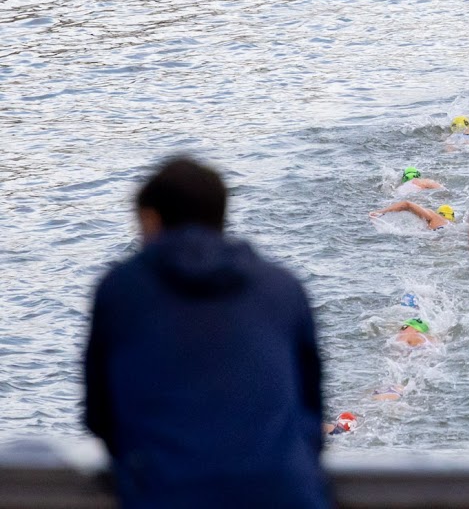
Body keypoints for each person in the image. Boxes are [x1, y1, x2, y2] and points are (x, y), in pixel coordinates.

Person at [84, 157, 330, 509]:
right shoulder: (283, 287)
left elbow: (100, 415)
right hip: (285, 494)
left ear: (151, 219)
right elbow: (311, 409)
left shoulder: (121, 290)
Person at [370, 199, 455, 231]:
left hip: (436, 236)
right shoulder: (452, 225)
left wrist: (380, 212)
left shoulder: (433, 216)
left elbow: (407, 204)